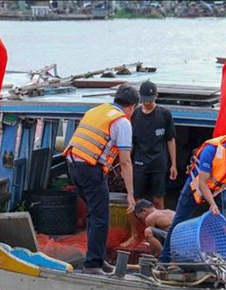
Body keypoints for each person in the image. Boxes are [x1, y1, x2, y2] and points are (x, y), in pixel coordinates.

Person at [64, 85, 139, 275]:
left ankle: (98, 258)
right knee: (100, 217)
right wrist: (130, 193)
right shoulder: (122, 122)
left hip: (73, 165)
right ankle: (92, 265)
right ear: (132, 107)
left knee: (94, 214)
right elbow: (125, 161)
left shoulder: (95, 110)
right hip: (90, 168)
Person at [158, 134, 226, 264]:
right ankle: (164, 260)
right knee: (177, 222)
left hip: (220, 190)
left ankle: (216, 262)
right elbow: (202, 182)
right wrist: (212, 204)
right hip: (195, 186)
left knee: (220, 227)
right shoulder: (211, 151)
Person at [131, 80, 177, 209]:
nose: (148, 103)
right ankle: (134, 230)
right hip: (139, 163)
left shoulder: (165, 114)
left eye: (150, 100)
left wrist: (173, 164)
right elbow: (130, 143)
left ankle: (158, 227)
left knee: (158, 199)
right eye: (145, 100)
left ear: (156, 96)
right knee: (136, 199)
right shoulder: (134, 114)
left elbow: (170, 140)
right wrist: (126, 165)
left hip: (158, 163)